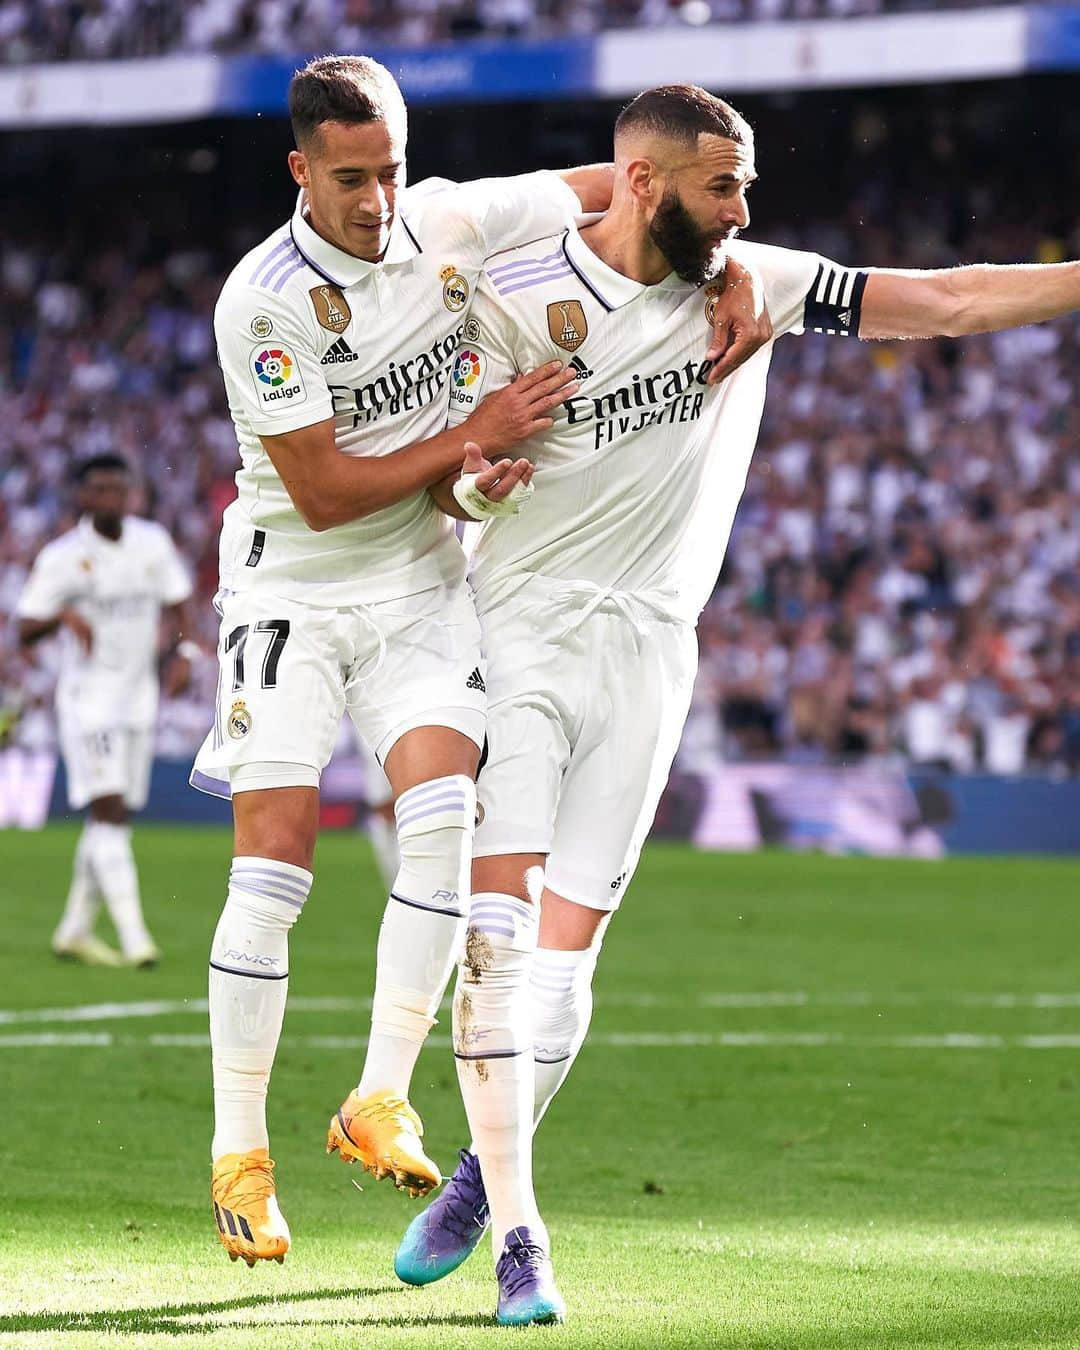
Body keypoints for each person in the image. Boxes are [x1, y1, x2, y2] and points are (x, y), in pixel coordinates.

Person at [394, 83, 1080, 1324]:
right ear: (645, 183)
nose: (746, 206)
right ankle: (524, 1236)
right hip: (523, 641)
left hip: (654, 653)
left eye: (748, 183)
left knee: (568, 955)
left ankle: (479, 1178)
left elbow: (951, 298)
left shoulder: (754, 279)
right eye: (724, 184)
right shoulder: (514, 300)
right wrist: (478, 477)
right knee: (496, 939)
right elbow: (448, 493)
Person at [190, 52, 767, 1273]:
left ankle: (379, 1095)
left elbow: (621, 189)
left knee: (448, 815)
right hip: (293, 582)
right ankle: (240, 1153)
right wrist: (474, 435)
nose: (377, 202)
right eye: (351, 179)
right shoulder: (264, 300)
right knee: (275, 872)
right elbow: (324, 490)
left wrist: (733, 267)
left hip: (419, 586)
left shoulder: (445, 220)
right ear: (301, 169)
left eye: (392, 171)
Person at [16, 453, 195, 968]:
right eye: (100, 490)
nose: (111, 498)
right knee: (109, 811)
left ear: (131, 493)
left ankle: (73, 929)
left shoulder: (152, 543)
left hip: (139, 697)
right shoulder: (63, 557)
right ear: (83, 497)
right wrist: (64, 612)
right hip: (87, 701)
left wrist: (181, 652)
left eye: (119, 489)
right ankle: (136, 938)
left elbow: (179, 601)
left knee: (114, 817)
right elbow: (26, 627)